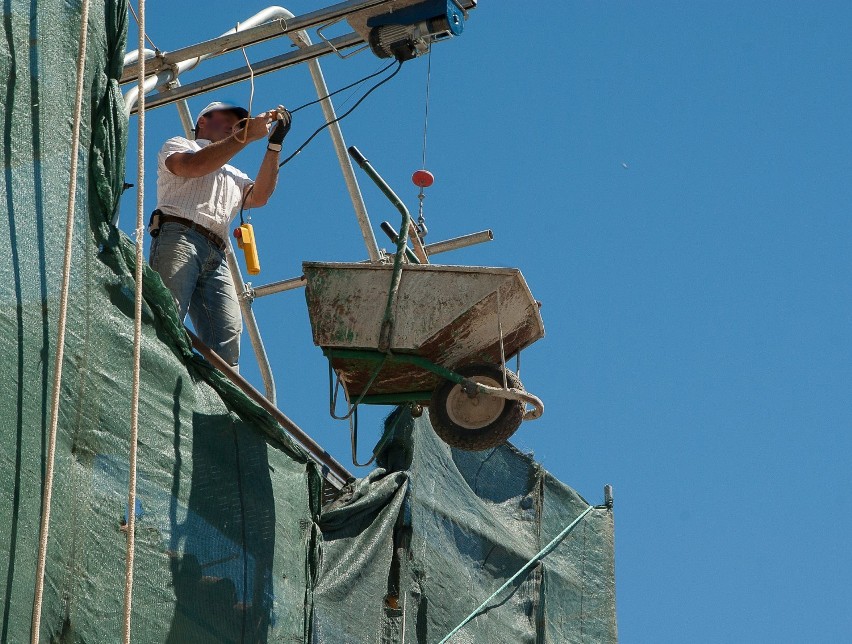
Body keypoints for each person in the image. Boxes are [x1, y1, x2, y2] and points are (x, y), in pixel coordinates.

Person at [150, 100, 291, 369]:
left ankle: (220, 403)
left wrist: (274, 145)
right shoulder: (180, 145)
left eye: (237, 122)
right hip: (179, 236)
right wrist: (246, 135)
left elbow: (260, 196)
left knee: (227, 337)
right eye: (227, 118)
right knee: (168, 314)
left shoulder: (233, 173)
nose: (233, 125)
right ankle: (157, 375)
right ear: (203, 120)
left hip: (216, 252)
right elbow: (192, 166)